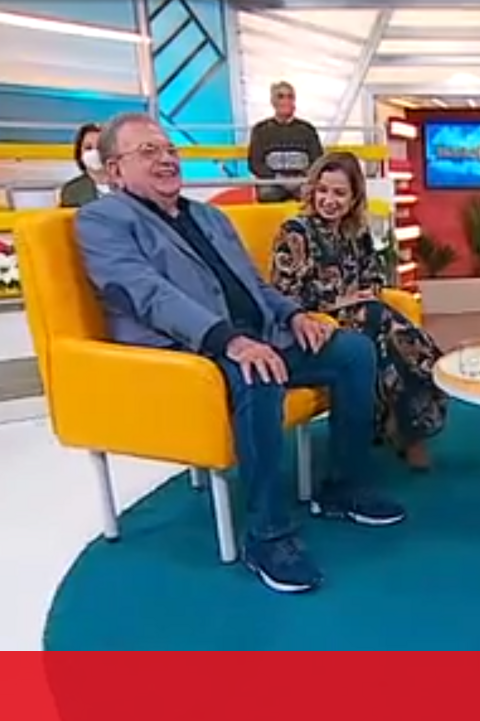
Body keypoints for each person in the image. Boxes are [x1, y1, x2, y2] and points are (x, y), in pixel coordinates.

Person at [75, 112, 404, 594]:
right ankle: (268, 535)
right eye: (149, 152)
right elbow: (145, 294)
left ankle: (344, 487)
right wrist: (227, 339)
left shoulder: (209, 216)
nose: (166, 159)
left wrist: (294, 315)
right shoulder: (102, 220)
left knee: (353, 351)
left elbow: (255, 285)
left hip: (259, 335)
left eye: (170, 150)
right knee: (259, 373)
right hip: (190, 351)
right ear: (114, 170)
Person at [271, 152, 448, 470]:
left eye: (339, 193)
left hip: (362, 315)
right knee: (381, 324)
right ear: (312, 190)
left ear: (354, 198)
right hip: (312, 324)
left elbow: (375, 278)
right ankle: (410, 427)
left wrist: (361, 296)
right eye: (323, 190)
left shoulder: (357, 232)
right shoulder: (295, 231)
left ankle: (402, 425)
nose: (329, 200)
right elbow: (285, 295)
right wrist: (342, 300)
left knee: (379, 328)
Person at [247, 81, 324, 203]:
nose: (286, 100)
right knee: (268, 194)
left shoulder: (307, 129)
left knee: (313, 194)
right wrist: (278, 179)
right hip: (272, 182)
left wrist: (302, 178)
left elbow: (318, 159)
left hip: (302, 181)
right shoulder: (260, 130)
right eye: (281, 96)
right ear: (273, 101)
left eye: (290, 96)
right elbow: (255, 163)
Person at [59, 123, 112, 208]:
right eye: (88, 148)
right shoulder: (72, 191)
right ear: (79, 154)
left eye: (100, 147)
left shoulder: (131, 185)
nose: (95, 152)